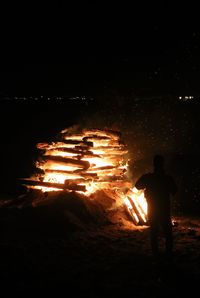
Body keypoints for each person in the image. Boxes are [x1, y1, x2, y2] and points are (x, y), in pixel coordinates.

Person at [135, 155, 177, 261]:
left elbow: (137, 186)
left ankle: (156, 254)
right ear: (163, 164)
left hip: (153, 208)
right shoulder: (167, 178)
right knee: (167, 233)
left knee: (154, 232)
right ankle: (168, 254)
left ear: (154, 164)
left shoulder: (148, 177)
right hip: (164, 208)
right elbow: (174, 191)